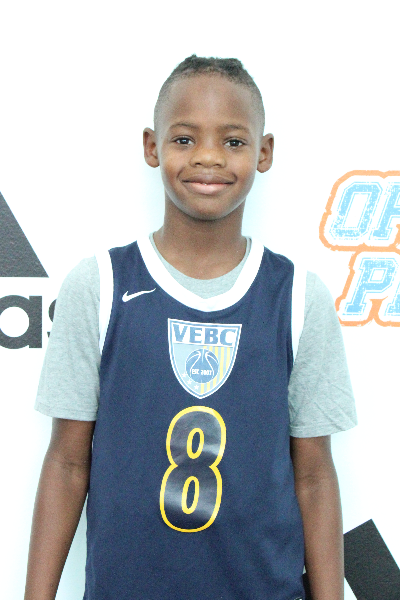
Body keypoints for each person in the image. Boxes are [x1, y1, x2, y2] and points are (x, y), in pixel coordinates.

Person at [24, 55, 357, 600]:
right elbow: (66, 463)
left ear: (264, 152)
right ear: (151, 146)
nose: (208, 157)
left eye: (233, 141)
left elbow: (315, 476)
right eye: (184, 139)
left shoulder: (298, 296)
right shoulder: (101, 284)